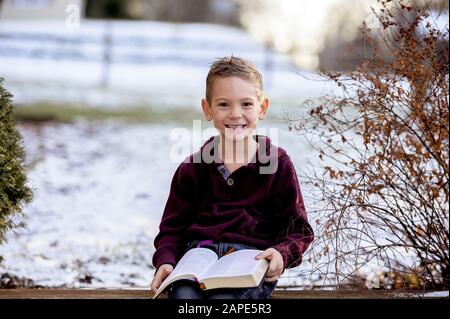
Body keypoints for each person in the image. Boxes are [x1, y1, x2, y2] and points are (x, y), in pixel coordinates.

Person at [150, 56, 314, 299]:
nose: (236, 114)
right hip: (197, 261)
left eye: (246, 104)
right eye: (224, 104)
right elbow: (172, 229)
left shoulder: (277, 164)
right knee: (183, 299)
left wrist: (281, 254)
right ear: (207, 109)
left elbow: (298, 229)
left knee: (224, 301)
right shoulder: (193, 168)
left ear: (262, 108)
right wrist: (165, 261)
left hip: (247, 267)